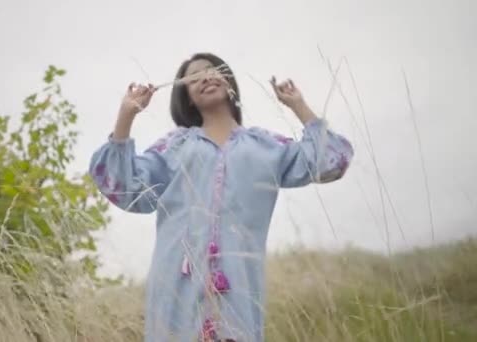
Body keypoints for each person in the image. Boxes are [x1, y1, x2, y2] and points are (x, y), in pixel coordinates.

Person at [89, 53, 354, 342]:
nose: (205, 77)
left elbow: (331, 160)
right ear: (187, 97)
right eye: (193, 77)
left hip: (238, 293)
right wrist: (126, 115)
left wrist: (298, 105)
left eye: (212, 70)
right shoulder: (175, 147)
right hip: (176, 293)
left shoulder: (264, 146)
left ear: (228, 83)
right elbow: (121, 184)